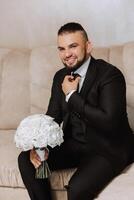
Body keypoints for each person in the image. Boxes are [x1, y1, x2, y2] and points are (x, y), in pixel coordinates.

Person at [18, 22, 134, 200]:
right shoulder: (60, 76)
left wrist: (72, 95)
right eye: (62, 48)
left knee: (76, 189)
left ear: (88, 46)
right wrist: (39, 144)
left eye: (73, 46)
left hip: (108, 147)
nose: (67, 54)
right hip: (75, 144)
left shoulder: (110, 75)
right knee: (28, 160)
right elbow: (53, 117)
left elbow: (109, 122)